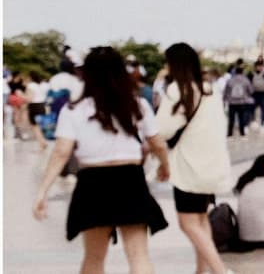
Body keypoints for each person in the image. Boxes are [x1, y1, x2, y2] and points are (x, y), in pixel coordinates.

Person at [32, 46, 170, 274]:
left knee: (94, 257)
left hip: (92, 183)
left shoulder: (73, 110)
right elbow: (158, 143)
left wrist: (43, 191)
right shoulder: (137, 106)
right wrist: (165, 167)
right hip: (129, 180)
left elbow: (61, 152)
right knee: (138, 255)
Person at [156, 43, 232, 274]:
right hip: (211, 165)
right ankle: (201, 271)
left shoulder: (178, 91)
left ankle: (221, 271)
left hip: (189, 167)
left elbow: (161, 130)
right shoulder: (210, 90)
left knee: (188, 223)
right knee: (200, 221)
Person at [224, 65, 255, 137]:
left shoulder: (230, 80)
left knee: (231, 119)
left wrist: (225, 100)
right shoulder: (245, 80)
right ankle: (242, 133)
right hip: (242, 102)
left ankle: (230, 133)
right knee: (241, 118)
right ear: (242, 72)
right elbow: (251, 91)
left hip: (231, 102)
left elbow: (226, 91)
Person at [26, 71, 51, 150]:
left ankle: (42, 143)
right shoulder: (44, 85)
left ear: (30, 77)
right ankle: (43, 142)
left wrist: (21, 96)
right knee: (40, 126)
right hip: (42, 106)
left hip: (34, 106)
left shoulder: (30, 85)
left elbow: (30, 98)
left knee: (35, 126)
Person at [250, 61, 264, 129]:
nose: (260, 67)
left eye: (261, 66)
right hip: (254, 93)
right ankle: (253, 121)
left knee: (263, 108)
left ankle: (263, 122)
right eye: (259, 66)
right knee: (253, 108)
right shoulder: (251, 74)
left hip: (263, 93)